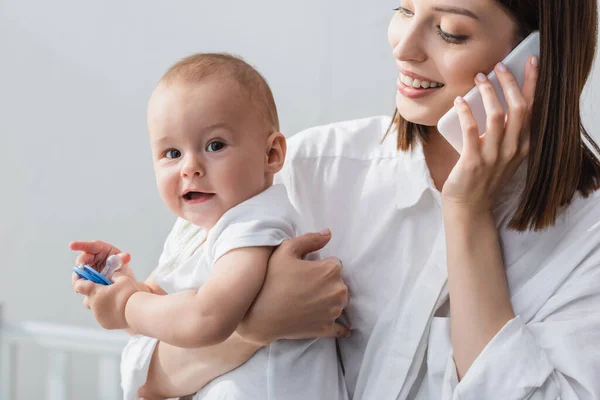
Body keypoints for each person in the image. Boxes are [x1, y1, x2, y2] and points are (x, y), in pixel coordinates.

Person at [78, 0, 600, 399]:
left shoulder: (587, 234)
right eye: (404, 10)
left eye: (450, 31)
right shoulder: (296, 168)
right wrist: (255, 328)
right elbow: (145, 375)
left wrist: (467, 214)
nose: (404, 46)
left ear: (536, 55)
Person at [69, 53, 349, 400]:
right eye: (172, 153)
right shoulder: (190, 229)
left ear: (271, 155)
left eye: (214, 145)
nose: (190, 168)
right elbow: (160, 318)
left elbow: (206, 318)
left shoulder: (254, 223)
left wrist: (126, 305)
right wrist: (120, 284)